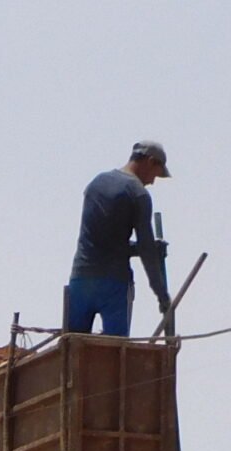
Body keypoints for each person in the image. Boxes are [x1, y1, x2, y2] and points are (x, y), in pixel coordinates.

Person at [65, 142, 173, 337]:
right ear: (149, 162)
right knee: (115, 354)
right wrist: (162, 294)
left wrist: (138, 248)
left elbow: (105, 239)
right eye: (155, 175)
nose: (152, 182)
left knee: (73, 348)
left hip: (81, 279)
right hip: (113, 284)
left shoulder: (96, 184)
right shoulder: (138, 194)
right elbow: (146, 250)